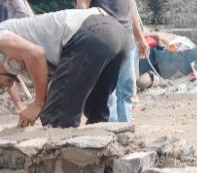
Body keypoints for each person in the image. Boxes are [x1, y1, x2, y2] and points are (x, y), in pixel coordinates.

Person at [0, 8, 129, 128]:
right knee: (96, 113)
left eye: (1, 86)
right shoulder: (16, 52)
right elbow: (59, 83)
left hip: (90, 34)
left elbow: (36, 54)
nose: (6, 86)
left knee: (56, 118)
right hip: (117, 34)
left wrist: (37, 104)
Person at [77, 0, 149, 123]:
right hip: (105, 41)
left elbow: (130, 6)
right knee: (107, 91)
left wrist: (140, 38)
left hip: (126, 41)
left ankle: (124, 130)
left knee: (126, 88)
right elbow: (83, 4)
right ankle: (108, 131)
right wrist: (89, 36)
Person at [0, 0, 35, 113]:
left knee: (6, 72)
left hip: (8, 39)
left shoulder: (5, 1)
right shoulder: (2, 3)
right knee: (6, 72)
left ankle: (19, 105)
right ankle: (19, 105)